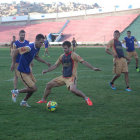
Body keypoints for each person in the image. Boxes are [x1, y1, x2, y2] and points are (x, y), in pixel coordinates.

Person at [37, 41, 101, 106]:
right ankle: (43, 100)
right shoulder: (62, 56)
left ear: (69, 47)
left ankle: (86, 98)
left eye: (65, 48)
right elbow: (55, 65)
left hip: (71, 77)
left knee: (73, 90)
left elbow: (83, 62)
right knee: (48, 85)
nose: (64, 50)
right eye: (63, 48)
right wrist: (47, 70)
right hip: (63, 77)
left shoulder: (74, 55)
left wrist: (93, 68)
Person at [11, 34, 51, 107]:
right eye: (41, 42)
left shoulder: (37, 47)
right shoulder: (29, 47)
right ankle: (16, 92)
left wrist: (45, 62)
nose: (42, 44)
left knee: (31, 89)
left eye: (43, 43)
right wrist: (13, 63)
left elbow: (36, 57)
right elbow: (16, 51)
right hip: (21, 71)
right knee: (33, 88)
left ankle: (24, 102)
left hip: (28, 71)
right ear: (36, 40)